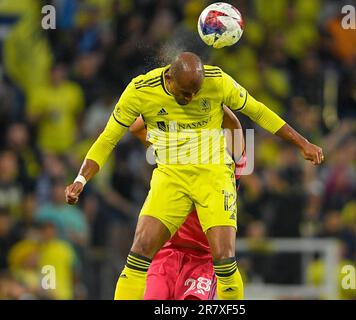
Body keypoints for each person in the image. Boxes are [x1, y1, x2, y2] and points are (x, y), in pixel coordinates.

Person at [65, 52, 324, 300]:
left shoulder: (218, 85)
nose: (190, 98)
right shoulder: (141, 90)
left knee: (224, 256)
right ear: (169, 78)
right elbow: (109, 138)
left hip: (212, 181)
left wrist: (302, 142)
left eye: (195, 93)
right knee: (140, 249)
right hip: (171, 178)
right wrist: (80, 180)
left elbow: (255, 112)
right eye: (185, 93)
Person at [130, 106, 246, 300]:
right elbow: (136, 127)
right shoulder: (175, 153)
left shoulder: (231, 163)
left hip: (204, 259)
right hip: (165, 253)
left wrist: (207, 96)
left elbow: (234, 124)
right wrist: (169, 99)